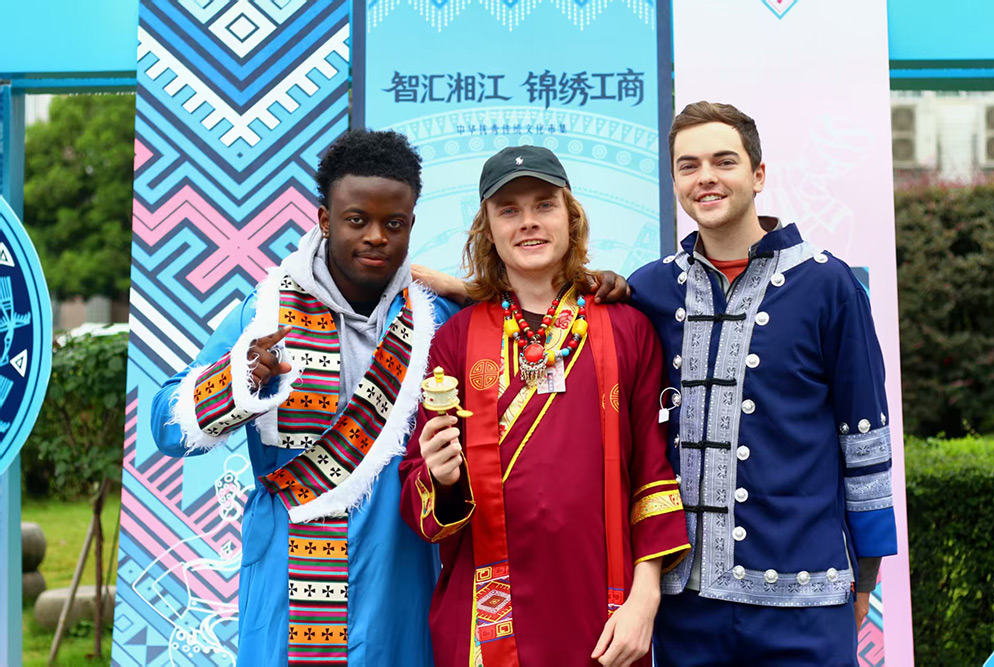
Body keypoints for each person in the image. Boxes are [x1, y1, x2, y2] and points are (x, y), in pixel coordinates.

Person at [150, 129, 462, 666]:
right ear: (323, 219)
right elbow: (166, 426)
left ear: (411, 224)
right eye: (356, 219)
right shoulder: (266, 311)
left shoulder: (437, 318)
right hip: (291, 561)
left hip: (399, 564)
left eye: (393, 224)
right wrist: (239, 380)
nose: (375, 238)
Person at [628, 101, 898, 666]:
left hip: (808, 598)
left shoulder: (828, 285)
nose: (706, 177)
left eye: (723, 161)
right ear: (674, 180)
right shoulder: (649, 291)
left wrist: (865, 578)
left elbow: (865, 439)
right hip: (686, 604)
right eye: (688, 165)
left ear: (758, 174)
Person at [399, 146, 690, 667]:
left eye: (544, 205)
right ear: (486, 227)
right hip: (486, 616)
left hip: (605, 611)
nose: (528, 223)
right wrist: (440, 479)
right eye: (508, 210)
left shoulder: (627, 327)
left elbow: (653, 470)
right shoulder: (455, 339)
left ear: (571, 217)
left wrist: (645, 598)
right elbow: (420, 496)